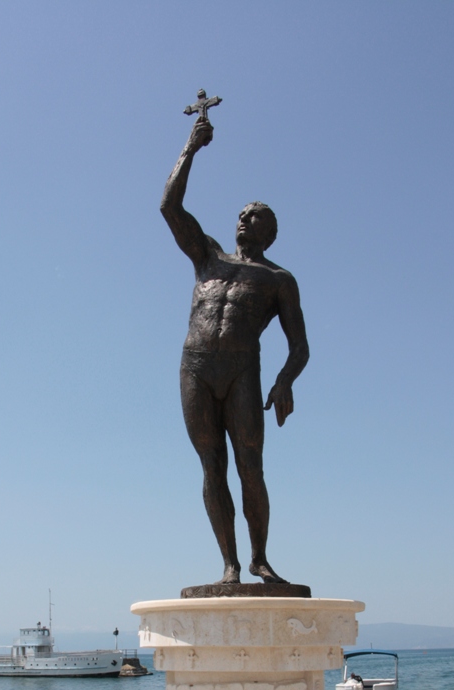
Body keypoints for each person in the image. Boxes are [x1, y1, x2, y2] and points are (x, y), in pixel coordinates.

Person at [161, 118, 310, 585]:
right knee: (211, 465)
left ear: (270, 233)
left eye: (256, 215)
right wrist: (191, 146)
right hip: (197, 367)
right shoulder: (208, 256)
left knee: (250, 465)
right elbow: (170, 206)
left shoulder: (278, 280)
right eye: (243, 213)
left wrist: (285, 380)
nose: (244, 218)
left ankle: (259, 558)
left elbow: (300, 345)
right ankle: (228, 564)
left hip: (242, 369)